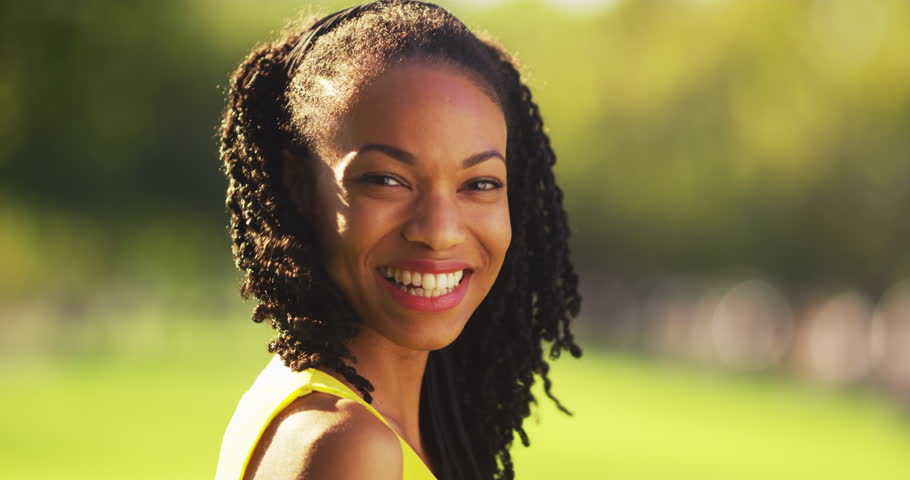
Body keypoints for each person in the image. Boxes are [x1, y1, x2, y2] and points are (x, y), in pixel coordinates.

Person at [214, 1, 582, 479]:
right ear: (300, 187)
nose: (439, 231)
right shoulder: (349, 448)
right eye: (387, 180)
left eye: (480, 184)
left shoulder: (346, 413)